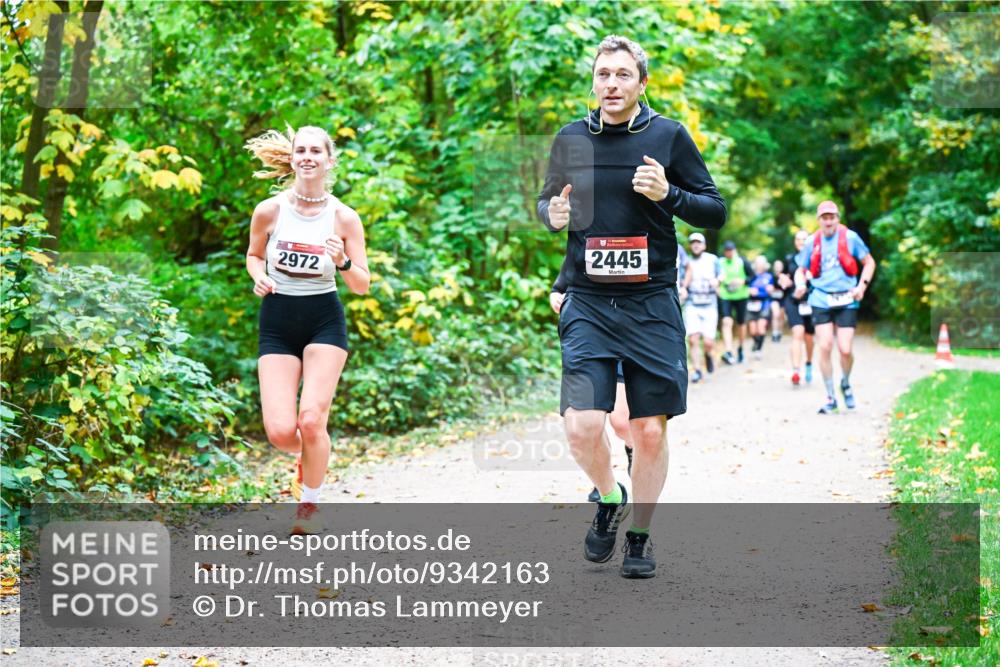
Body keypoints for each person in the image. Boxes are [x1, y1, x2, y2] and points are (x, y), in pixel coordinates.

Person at [538, 35, 726, 578]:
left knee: (647, 430)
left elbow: (713, 211)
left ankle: (639, 536)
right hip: (589, 304)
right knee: (581, 425)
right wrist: (550, 214)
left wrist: (668, 194)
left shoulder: (668, 135)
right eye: (603, 75)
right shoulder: (571, 138)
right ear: (593, 83)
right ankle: (608, 494)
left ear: (642, 83)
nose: (611, 84)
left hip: (651, 305)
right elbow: (548, 203)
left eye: (623, 75)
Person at [244, 126, 370, 534]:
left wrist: (344, 262)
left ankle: (309, 506)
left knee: (312, 420)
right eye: (301, 150)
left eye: (317, 150)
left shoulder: (344, 217)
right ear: (293, 158)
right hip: (277, 320)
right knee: (282, 433)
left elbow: (362, 284)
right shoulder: (270, 210)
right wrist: (258, 276)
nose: (308, 156)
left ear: (329, 160)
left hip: (323, 319)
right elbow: (253, 255)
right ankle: (312, 453)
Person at [550, 267, 634, 502]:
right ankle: (604, 483)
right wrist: (555, 296)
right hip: (590, 336)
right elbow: (561, 285)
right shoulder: (587, 238)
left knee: (621, 422)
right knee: (589, 423)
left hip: (630, 333)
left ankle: (632, 446)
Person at [794, 201, 875, 414]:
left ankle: (845, 383)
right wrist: (801, 284)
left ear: (837, 218)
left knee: (845, 349)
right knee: (825, 345)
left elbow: (869, 262)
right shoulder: (812, 242)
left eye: (832, 217)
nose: (828, 221)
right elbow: (800, 269)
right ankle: (830, 397)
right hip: (821, 298)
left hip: (847, 298)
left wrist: (862, 286)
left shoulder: (850, 238)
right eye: (824, 217)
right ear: (819, 220)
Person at [681, 232, 720, 383]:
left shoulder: (712, 259)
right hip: (692, 303)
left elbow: (721, 275)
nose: (696, 245)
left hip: (710, 303)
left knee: (709, 341)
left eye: (699, 242)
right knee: (693, 338)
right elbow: (682, 279)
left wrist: (717, 281)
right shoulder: (687, 262)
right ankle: (697, 370)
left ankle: (709, 355)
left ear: (704, 245)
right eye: (693, 243)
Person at [779, 230, 815, 385]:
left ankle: (808, 363)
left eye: (804, 239)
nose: (801, 242)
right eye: (798, 239)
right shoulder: (789, 259)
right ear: (795, 242)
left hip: (811, 301)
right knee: (797, 332)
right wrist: (782, 280)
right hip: (792, 300)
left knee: (808, 337)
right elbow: (781, 278)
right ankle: (795, 370)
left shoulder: (815, 259)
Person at [717, 240, 751, 364]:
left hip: (741, 296)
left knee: (741, 323)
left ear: (735, 250)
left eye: (731, 250)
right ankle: (729, 351)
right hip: (726, 296)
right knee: (726, 321)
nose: (729, 253)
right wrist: (717, 288)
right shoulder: (720, 262)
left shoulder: (743, 261)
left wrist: (742, 281)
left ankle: (741, 348)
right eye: (727, 251)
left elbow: (752, 277)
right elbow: (715, 277)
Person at [746, 255, 774, 359]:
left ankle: (759, 349)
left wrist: (770, 290)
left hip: (764, 304)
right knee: (753, 330)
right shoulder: (751, 276)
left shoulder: (768, 276)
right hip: (752, 304)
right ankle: (756, 343)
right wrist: (749, 291)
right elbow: (746, 288)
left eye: (762, 264)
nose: (760, 266)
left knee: (761, 328)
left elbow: (771, 289)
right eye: (758, 263)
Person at [769, 258, 785, 342]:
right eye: (776, 266)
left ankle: (780, 333)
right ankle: (774, 333)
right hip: (774, 298)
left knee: (781, 317)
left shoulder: (785, 276)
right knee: (776, 314)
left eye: (780, 266)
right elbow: (768, 287)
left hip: (783, 299)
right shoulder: (771, 276)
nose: (778, 267)